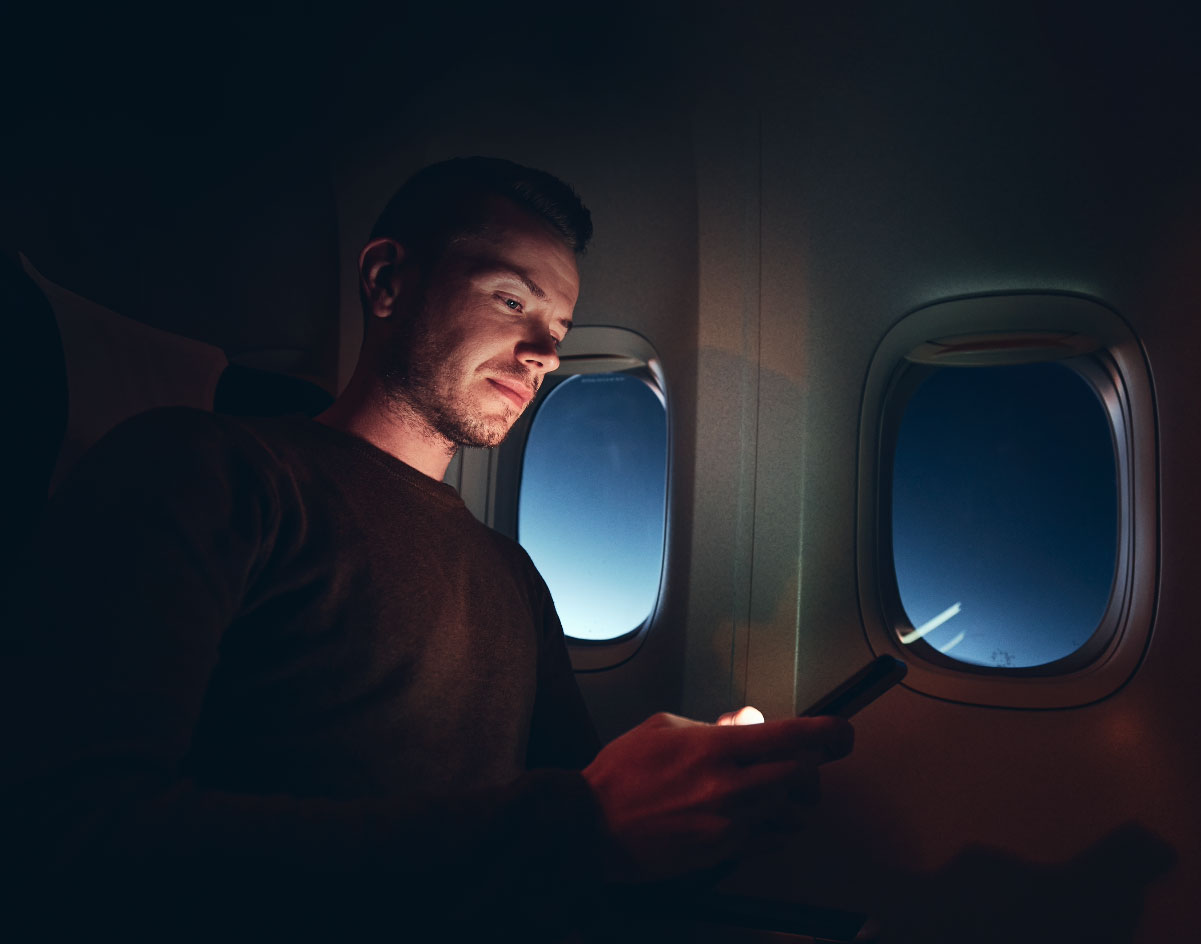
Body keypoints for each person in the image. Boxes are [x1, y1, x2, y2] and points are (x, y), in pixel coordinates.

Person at [2, 158, 851, 937]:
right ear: (385, 280)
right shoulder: (209, 470)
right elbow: (68, 836)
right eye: (512, 302)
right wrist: (575, 828)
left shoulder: (511, 576)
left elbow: (582, 854)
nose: (546, 352)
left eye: (558, 325)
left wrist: (707, 818)